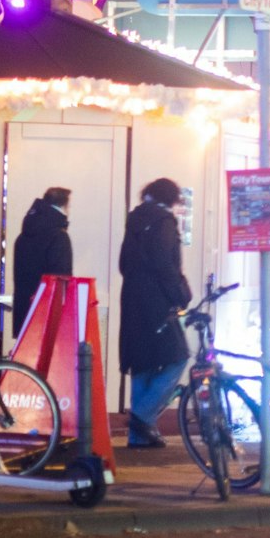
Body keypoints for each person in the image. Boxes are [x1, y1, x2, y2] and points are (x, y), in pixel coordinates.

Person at [118, 178, 191, 448]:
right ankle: (141, 418)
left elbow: (123, 263)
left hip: (133, 300)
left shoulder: (135, 220)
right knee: (178, 358)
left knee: (143, 364)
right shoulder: (164, 222)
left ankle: (138, 437)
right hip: (158, 303)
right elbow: (165, 264)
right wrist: (181, 294)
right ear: (170, 197)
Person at [11, 187, 73, 334]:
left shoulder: (22, 237)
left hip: (24, 309)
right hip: (47, 313)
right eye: (69, 206)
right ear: (63, 206)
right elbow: (61, 278)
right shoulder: (59, 237)